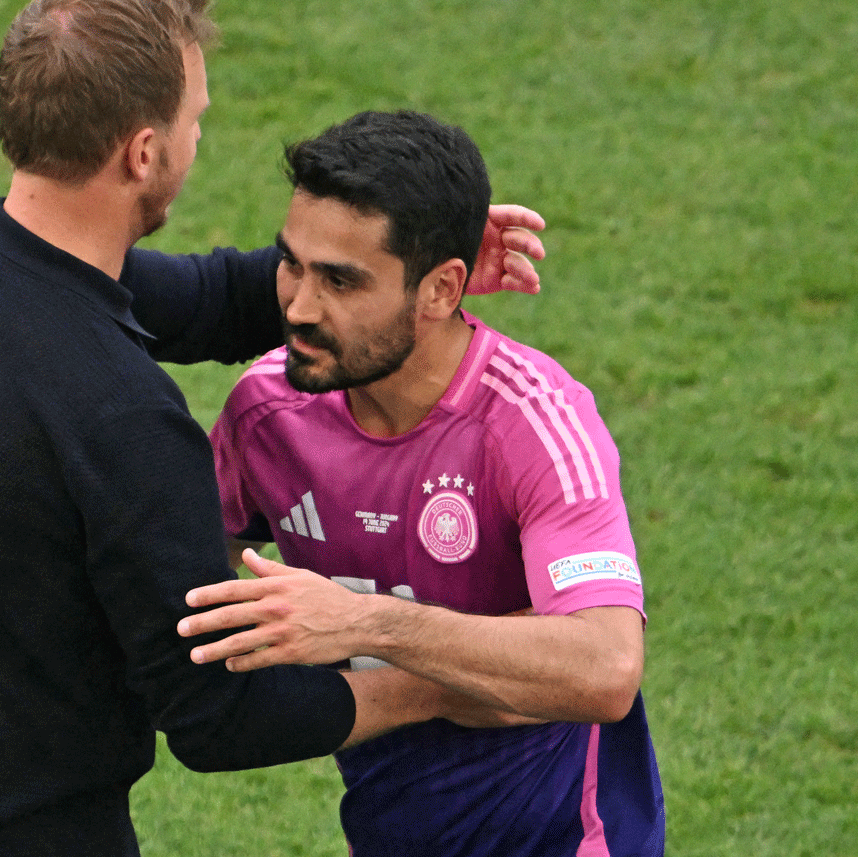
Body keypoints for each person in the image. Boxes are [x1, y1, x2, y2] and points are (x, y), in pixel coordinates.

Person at [0, 0, 548, 857]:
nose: (200, 139)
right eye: (196, 120)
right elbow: (216, 717)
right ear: (143, 152)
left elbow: (203, 297)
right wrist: (437, 683)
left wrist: (394, 267)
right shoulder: (125, 420)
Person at [181, 110, 664, 856]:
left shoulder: (533, 423)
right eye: (292, 265)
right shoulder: (267, 413)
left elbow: (606, 667)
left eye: (341, 280)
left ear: (442, 290)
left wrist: (366, 624)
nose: (299, 308)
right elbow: (187, 583)